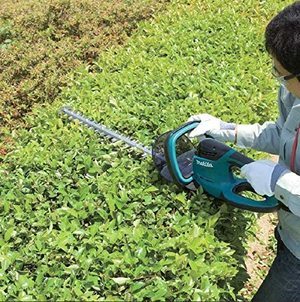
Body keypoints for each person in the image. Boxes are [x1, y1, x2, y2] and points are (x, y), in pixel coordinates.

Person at [187, 2, 300, 301]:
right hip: (291, 230)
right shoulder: (293, 90)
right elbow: (281, 133)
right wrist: (226, 129)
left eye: (281, 73)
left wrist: (280, 181)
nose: (278, 79)